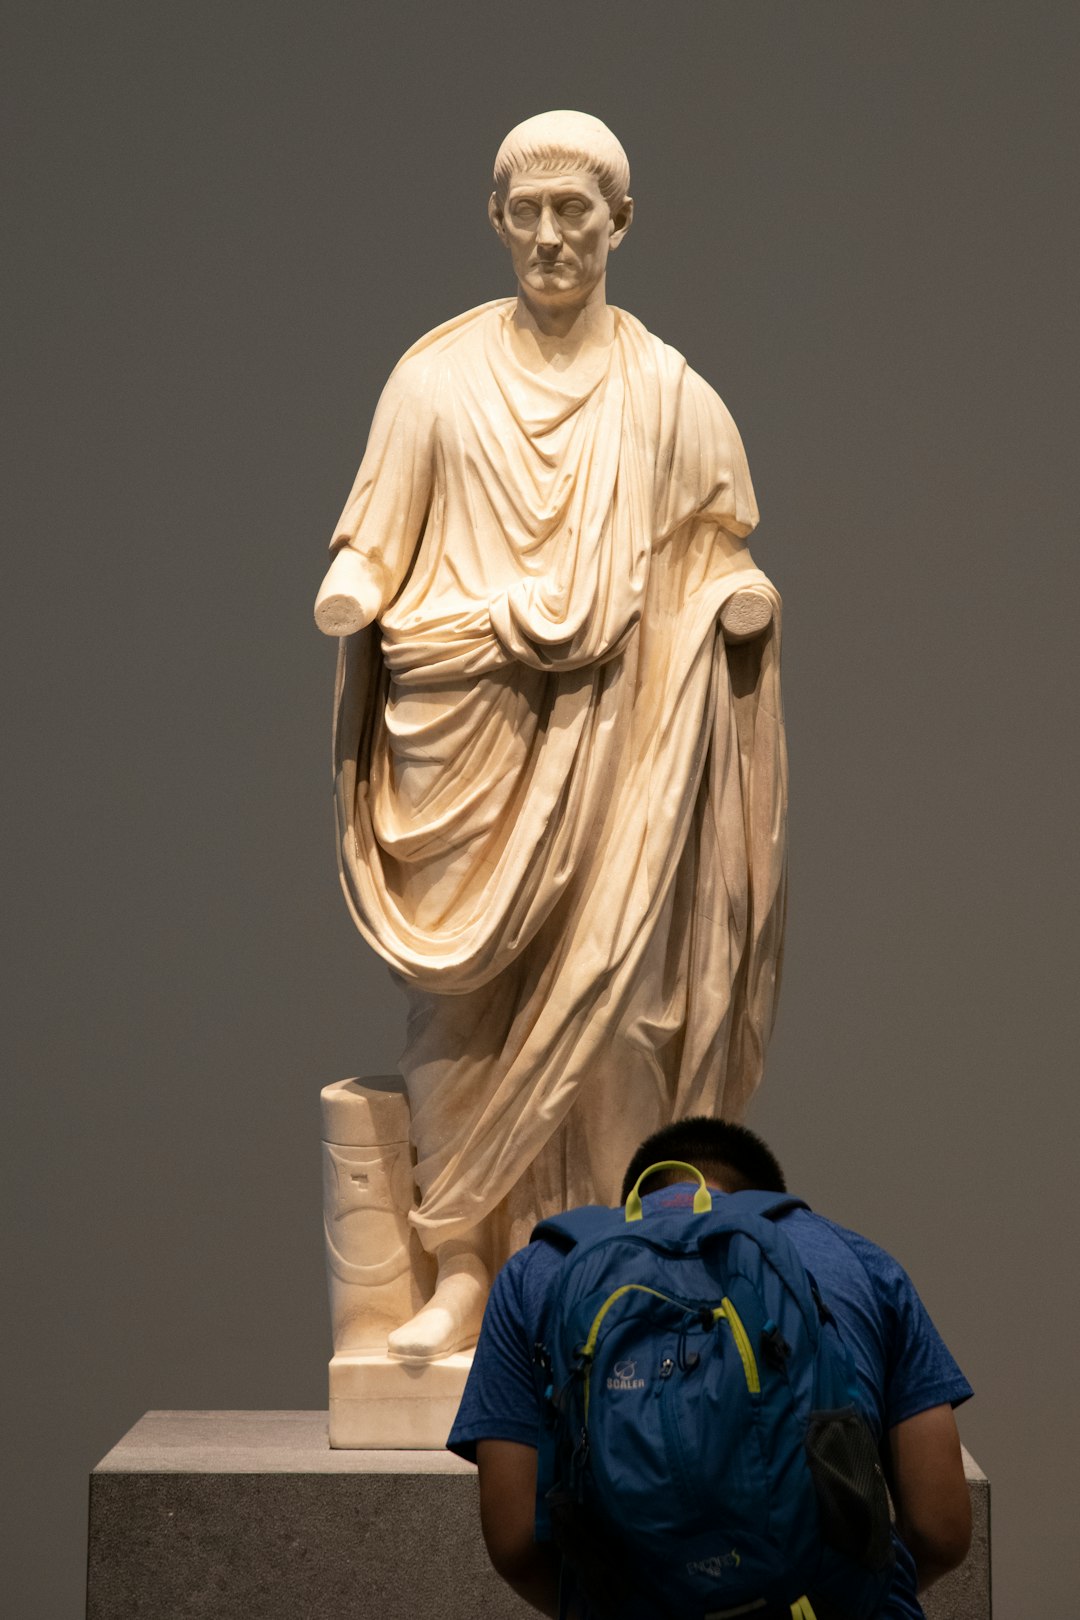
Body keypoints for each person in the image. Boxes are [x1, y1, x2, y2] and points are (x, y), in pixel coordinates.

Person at [315, 111, 787, 1363]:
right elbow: (373, 536)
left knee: (623, 1011)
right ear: (494, 220)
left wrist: (738, 609)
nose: (548, 237)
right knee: (459, 1012)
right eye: (524, 213)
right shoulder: (435, 381)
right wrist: (359, 591)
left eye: (574, 213)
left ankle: (601, 1268)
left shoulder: (669, 395)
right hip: (463, 735)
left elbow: (720, 549)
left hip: (621, 750)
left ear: (619, 224)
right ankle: (464, 1270)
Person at [447, 1117, 973, 1619]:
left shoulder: (539, 1270)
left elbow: (514, 1540)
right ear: (763, 1193)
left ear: (633, 1198)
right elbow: (939, 1527)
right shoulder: (857, 1260)